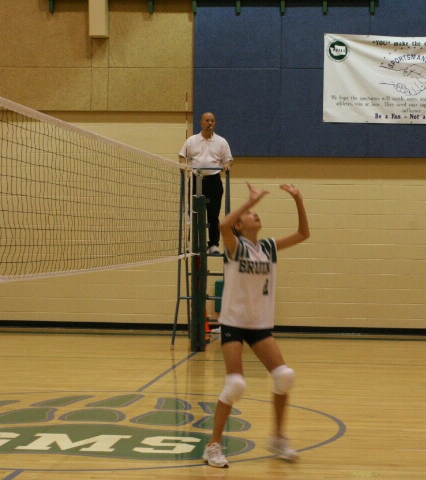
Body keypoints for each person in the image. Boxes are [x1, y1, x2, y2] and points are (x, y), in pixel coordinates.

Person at [202, 182, 310, 468]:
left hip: (259, 324)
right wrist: (249, 202)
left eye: (255, 213)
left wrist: (298, 199)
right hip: (234, 323)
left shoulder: (268, 248)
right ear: (240, 225)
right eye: (249, 215)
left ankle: (278, 437)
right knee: (235, 383)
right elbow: (223, 224)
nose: (255, 215)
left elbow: (303, 234)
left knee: (285, 376)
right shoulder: (235, 248)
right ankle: (213, 445)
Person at [179, 112, 233, 254]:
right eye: (207, 120)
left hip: (214, 180)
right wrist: (184, 165)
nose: (210, 123)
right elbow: (182, 157)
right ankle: (193, 244)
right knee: (193, 213)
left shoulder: (221, 141)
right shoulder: (191, 140)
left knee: (213, 214)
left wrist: (227, 164)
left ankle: (213, 245)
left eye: (212, 121)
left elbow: (228, 159)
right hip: (196, 180)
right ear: (201, 123)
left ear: (215, 123)